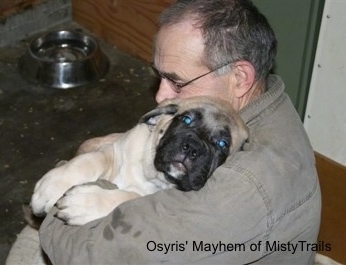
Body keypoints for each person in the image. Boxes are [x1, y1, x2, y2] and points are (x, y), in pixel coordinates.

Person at [39, 0, 321, 264]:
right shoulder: (264, 108)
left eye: (178, 82)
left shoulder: (242, 186)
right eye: (159, 76)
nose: (161, 96)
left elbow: (84, 253)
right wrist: (100, 157)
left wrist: (71, 186)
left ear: (239, 78)